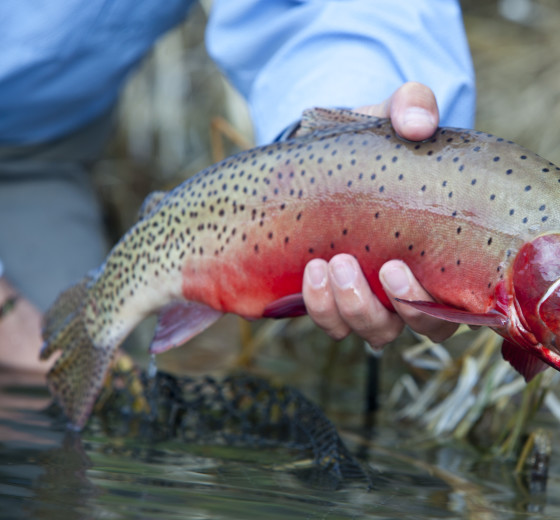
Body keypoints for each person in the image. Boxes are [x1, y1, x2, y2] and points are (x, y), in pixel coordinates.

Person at [0, 0, 475, 373]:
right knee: (32, 372)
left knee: (84, 374)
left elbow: (334, 8)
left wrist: (348, 155)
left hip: (35, 147)